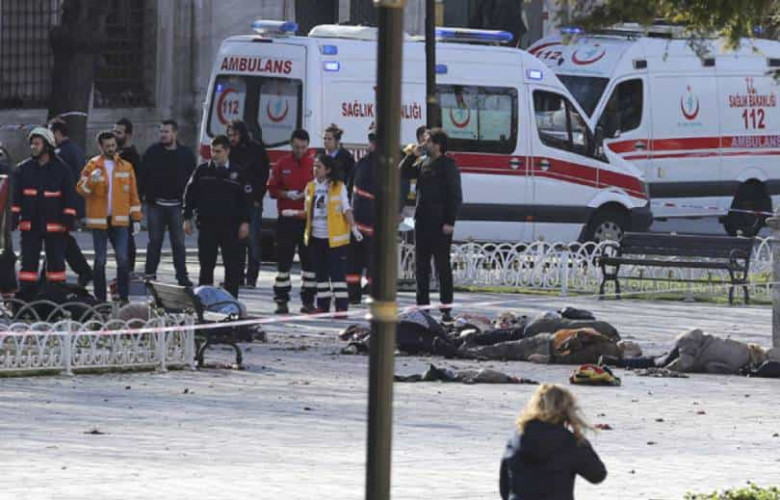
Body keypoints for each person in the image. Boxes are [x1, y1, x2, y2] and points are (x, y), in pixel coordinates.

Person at [499, 384, 607, 500]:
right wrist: (580, 439)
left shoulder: (516, 437)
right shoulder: (569, 442)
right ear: (566, 411)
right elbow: (597, 474)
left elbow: (504, 488)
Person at [400, 128, 462, 323]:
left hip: (440, 223)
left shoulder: (448, 165)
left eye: (427, 141)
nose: (424, 144)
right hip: (422, 221)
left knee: (442, 265)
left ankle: (446, 307)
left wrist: (450, 221)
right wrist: (412, 155)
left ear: (438, 145)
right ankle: (422, 307)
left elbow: (455, 195)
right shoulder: (423, 163)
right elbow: (402, 171)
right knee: (421, 266)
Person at [76, 131, 142, 303]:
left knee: (123, 259)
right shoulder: (92, 165)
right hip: (100, 221)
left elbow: (133, 195)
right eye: (107, 146)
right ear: (100, 147)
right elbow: (82, 190)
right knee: (100, 261)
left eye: (113, 145)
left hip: (120, 220)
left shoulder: (126, 166)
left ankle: (123, 297)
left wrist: (136, 218)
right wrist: (92, 180)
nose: (111, 149)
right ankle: (100, 300)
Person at [182, 135, 251, 298]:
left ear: (227, 151)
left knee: (232, 266)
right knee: (206, 265)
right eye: (212, 151)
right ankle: (205, 300)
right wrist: (186, 218)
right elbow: (190, 195)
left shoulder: (238, 172)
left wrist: (245, 222)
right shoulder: (202, 171)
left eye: (218, 151)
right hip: (207, 224)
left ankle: (231, 301)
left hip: (231, 226)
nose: (214, 155)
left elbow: (246, 200)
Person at [12, 128, 78, 291]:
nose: (33, 147)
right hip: (30, 225)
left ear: (47, 146)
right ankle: (26, 296)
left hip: (55, 226)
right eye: (32, 144)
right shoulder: (23, 169)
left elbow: (70, 196)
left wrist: (69, 218)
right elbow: (15, 197)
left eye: (37, 144)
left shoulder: (62, 169)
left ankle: (56, 294)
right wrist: (13, 217)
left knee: (56, 266)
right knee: (28, 265)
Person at [301, 154, 361, 315]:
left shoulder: (338, 187)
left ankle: (341, 308)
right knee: (320, 275)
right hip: (316, 237)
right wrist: (293, 213)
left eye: (318, 166)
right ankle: (323, 305)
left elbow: (346, 209)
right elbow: (307, 211)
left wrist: (354, 228)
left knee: (337, 275)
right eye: (314, 165)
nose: (315, 169)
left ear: (327, 170)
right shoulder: (310, 187)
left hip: (335, 239)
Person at [139, 120, 194, 286]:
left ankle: (182, 276)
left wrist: (189, 207)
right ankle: (150, 274)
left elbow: (192, 180)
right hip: (156, 205)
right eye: (161, 131)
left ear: (175, 133)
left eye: (166, 132)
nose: (163, 135)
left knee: (178, 243)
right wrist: (142, 200)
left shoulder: (185, 154)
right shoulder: (152, 152)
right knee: (154, 242)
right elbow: (142, 176)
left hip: (177, 205)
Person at [267, 129, 317, 314]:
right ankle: (281, 300)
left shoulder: (313, 164)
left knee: (309, 263)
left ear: (308, 146)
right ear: (291, 145)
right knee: (283, 264)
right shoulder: (282, 164)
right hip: (287, 218)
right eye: (296, 147)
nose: (300, 150)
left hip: (306, 220)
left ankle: (308, 301)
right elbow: (272, 189)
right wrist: (286, 194)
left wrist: (307, 195)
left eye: (303, 147)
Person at [49, 120, 93, 288]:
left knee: (59, 239)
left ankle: (82, 271)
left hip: (63, 205)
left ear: (57, 133)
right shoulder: (74, 149)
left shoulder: (62, 153)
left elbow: (61, 180)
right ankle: (82, 271)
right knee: (61, 239)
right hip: (70, 203)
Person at [227, 119, 270, 288]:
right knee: (235, 241)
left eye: (235, 135)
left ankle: (251, 278)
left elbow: (263, 176)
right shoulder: (229, 151)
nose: (232, 138)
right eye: (230, 135)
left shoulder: (256, 150)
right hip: (233, 203)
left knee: (252, 241)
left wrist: (258, 198)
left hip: (252, 202)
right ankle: (236, 276)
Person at [346, 125, 377, 304]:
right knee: (353, 262)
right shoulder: (362, 163)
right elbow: (350, 188)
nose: (372, 143)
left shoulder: (388, 166)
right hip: (356, 222)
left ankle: (373, 295)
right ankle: (353, 294)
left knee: (374, 263)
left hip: (375, 224)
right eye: (371, 140)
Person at [113, 117, 141, 273]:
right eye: (114, 131)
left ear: (128, 135)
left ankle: (128, 271)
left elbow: (136, 184)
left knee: (126, 240)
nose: (114, 135)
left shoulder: (131, 157)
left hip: (125, 205)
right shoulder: (113, 153)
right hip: (112, 204)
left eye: (119, 132)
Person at [322, 123, 356, 194]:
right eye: (324, 138)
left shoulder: (346, 158)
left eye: (329, 139)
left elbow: (351, 180)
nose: (326, 141)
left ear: (337, 141)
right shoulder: (320, 155)